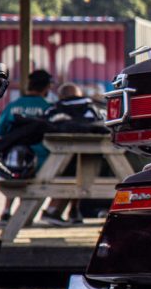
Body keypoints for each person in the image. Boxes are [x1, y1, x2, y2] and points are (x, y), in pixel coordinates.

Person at [40, 83, 106, 226]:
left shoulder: (53, 109)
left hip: (56, 160)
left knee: (69, 169)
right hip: (91, 156)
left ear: (61, 96)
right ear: (79, 94)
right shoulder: (92, 108)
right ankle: (68, 210)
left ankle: (57, 210)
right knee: (83, 167)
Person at [0, 70, 53, 225]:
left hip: (13, 165)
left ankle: (7, 210)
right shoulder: (48, 108)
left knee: (12, 159)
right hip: (42, 163)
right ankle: (24, 214)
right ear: (47, 87)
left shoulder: (12, 106)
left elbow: (0, 134)